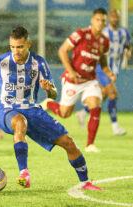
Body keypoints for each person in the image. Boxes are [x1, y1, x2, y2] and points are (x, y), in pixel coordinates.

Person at [0, 25, 102, 191]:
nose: (16, 51)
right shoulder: (1, 62)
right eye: (12, 47)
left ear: (28, 44)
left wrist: (48, 89)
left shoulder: (39, 63)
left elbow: (54, 95)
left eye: (20, 47)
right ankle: (24, 173)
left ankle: (85, 182)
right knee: (20, 122)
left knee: (68, 142)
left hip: (32, 110)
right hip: (7, 110)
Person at [41, 8, 116, 153]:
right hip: (73, 80)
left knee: (95, 105)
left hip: (90, 81)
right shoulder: (80, 34)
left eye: (103, 21)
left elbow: (102, 59)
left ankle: (90, 145)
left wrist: (108, 72)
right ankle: (49, 104)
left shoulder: (104, 41)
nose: (100, 23)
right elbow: (62, 50)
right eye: (98, 20)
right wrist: (70, 70)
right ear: (92, 20)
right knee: (64, 113)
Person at [76, 9, 131, 135]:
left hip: (114, 67)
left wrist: (128, 51)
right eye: (112, 17)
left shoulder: (124, 32)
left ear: (119, 18)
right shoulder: (104, 32)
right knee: (113, 95)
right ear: (109, 19)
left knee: (103, 95)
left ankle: (83, 112)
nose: (114, 19)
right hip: (102, 67)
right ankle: (115, 127)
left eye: (116, 17)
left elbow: (128, 45)